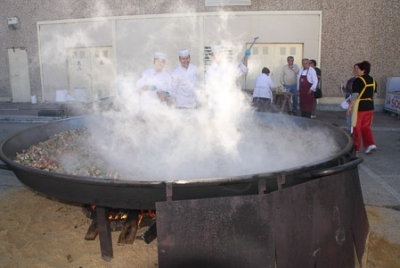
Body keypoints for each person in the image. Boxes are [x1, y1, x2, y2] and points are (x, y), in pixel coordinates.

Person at [204, 45, 250, 110]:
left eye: (219, 54)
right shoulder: (209, 71)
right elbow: (209, 88)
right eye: (216, 54)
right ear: (212, 56)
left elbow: (243, 70)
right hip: (214, 105)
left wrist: (246, 57)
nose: (218, 56)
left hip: (226, 104)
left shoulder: (229, 66)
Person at [347, 61, 377, 154]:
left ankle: (356, 148)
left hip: (359, 107)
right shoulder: (373, 80)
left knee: (356, 127)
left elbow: (355, 95)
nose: (356, 71)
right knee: (366, 127)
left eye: (358, 69)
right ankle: (371, 145)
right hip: (370, 106)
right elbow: (375, 95)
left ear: (363, 70)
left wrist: (350, 107)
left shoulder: (358, 80)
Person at [342, 65, 358, 132]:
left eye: (357, 68)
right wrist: (343, 89)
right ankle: (350, 132)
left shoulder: (361, 81)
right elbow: (348, 90)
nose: (355, 70)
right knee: (349, 118)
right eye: (354, 68)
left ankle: (354, 133)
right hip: (349, 102)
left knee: (355, 120)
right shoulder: (350, 80)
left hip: (356, 103)